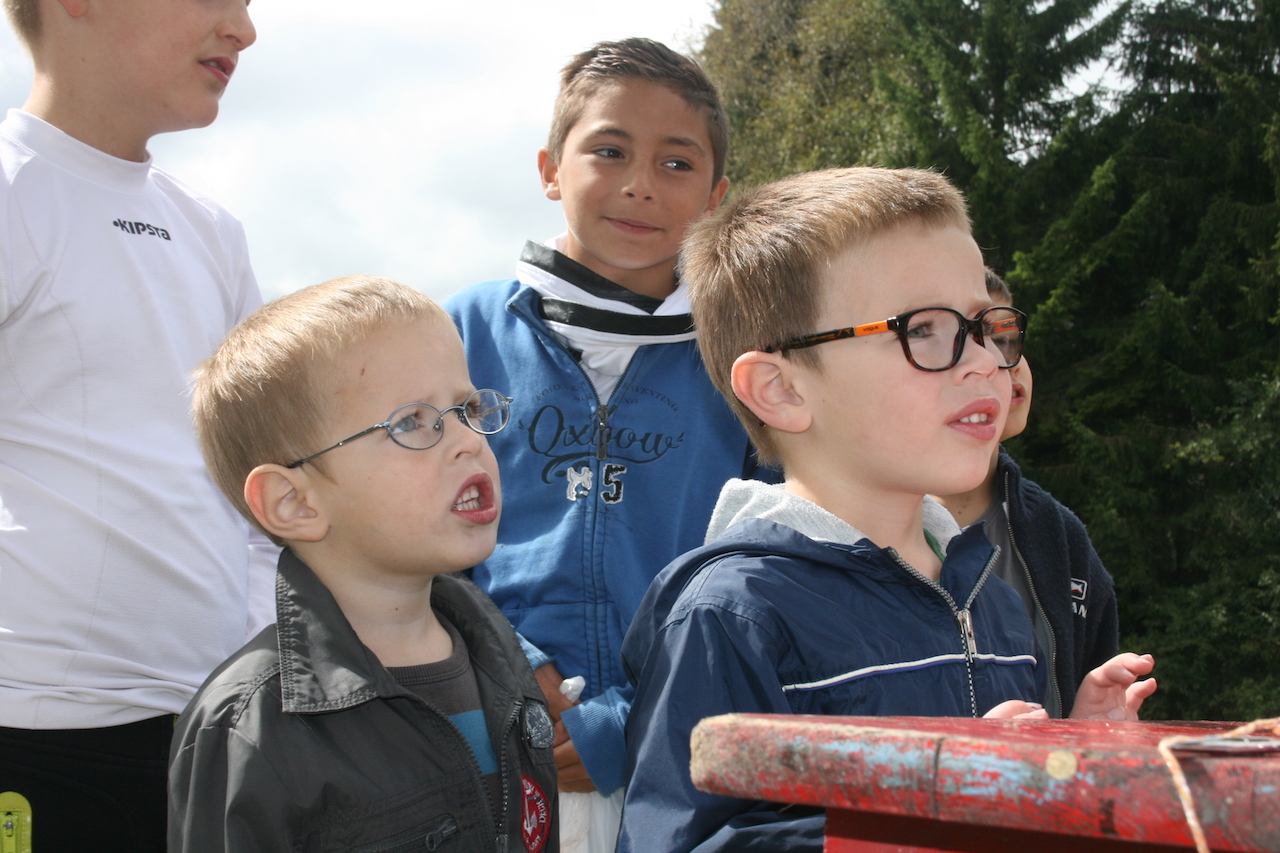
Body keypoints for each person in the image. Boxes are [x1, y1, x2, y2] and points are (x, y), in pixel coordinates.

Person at [617, 167, 1157, 853]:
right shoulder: (733, 615)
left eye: (986, 327)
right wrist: (940, 802)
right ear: (781, 390)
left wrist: (1067, 753)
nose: (985, 361)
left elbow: (1008, 807)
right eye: (923, 329)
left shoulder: (987, 592)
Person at [446, 38, 764, 834]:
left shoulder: (749, 360)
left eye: (676, 162)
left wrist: (639, 715)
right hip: (477, 742)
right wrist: (508, 665)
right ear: (551, 168)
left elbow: (768, 567)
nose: (639, 184)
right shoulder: (456, 334)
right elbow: (402, 530)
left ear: (716, 195)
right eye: (610, 150)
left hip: (679, 757)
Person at [0, 0, 276, 849]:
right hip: (37, 735)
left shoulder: (213, 231)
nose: (244, 29)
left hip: (217, 726)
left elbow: (260, 479)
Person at [169, 275, 558, 853]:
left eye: (467, 408)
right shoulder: (251, 724)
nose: (469, 441)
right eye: (411, 422)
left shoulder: (497, 649)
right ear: (293, 502)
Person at [933, 269, 1120, 717]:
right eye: (961, 341)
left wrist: (1082, 731)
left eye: (1004, 337)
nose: (998, 361)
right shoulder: (863, 528)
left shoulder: (1059, 535)